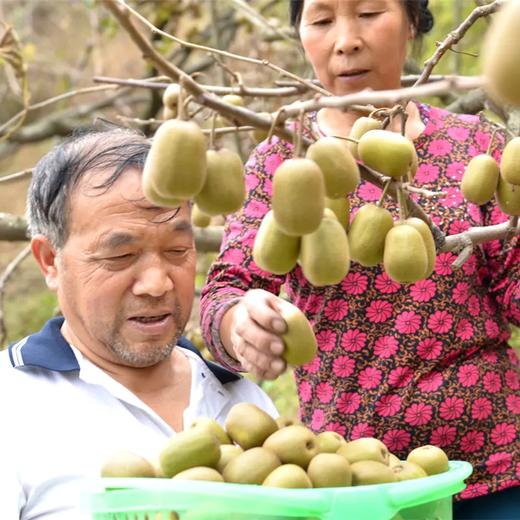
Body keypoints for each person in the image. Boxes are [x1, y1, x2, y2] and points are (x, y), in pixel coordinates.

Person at [200, 1, 520, 517]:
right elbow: (224, 291)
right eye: (322, 21)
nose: (345, 40)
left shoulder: (476, 147)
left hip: (497, 472)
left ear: (414, 21)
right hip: (356, 482)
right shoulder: (283, 161)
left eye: (369, 12)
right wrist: (240, 324)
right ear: (301, 36)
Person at [0, 128, 278, 519]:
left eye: (178, 251)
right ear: (50, 261)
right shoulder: (9, 406)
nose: (157, 284)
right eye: (121, 256)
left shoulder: (241, 402)